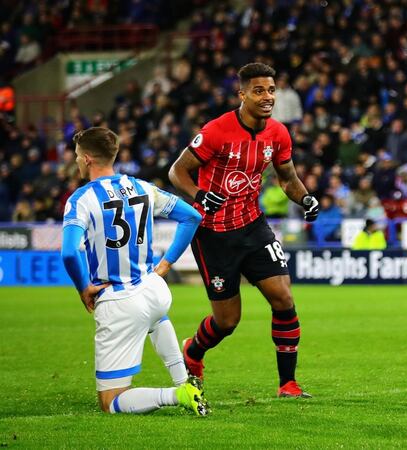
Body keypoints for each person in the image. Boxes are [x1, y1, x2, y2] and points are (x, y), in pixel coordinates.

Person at [168, 63, 319, 399]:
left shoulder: (278, 133)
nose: (267, 97)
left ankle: (288, 384)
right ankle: (193, 351)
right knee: (227, 322)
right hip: (213, 234)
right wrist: (199, 195)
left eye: (271, 90)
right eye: (258, 91)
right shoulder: (217, 131)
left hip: (253, 226)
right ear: (242, 94)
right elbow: (177, 171)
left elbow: (287, 178)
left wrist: (305, 197)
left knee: (283, 298)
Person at [61, 127, 208, 415]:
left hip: (120, 301)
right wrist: (165, 265)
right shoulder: (142, 187)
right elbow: (192, 216)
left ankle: (178, 394)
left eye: (78, 156)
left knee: (110, 402)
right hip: (154, 289)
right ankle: (186, 381)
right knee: (156, 318)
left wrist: (83, 288)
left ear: (88, 159)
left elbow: (69, 251)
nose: (77, 161)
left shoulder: (81, 199)